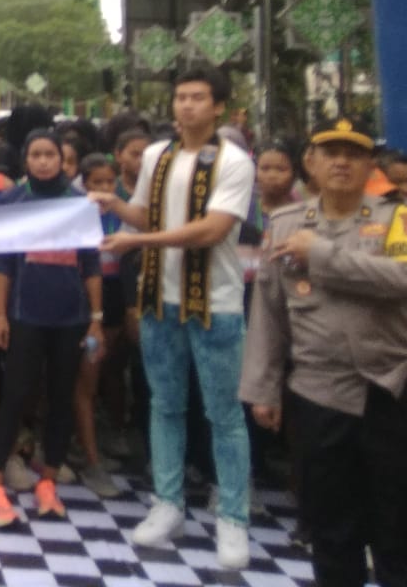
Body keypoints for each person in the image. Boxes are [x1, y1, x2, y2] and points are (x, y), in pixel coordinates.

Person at [242, 117, 407, 587]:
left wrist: (320, 255)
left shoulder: (400, 217)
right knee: (330, 525)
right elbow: (269, 311)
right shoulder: (286, 223)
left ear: (371, 164)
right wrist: (263, 388)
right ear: (310, 161)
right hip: (318, 392)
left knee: (399, 524)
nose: (342, 163)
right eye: (331, 153)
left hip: (389, 387)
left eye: (354, 154)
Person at [93, 66, 255, 570]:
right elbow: (148, 214)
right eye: (181, 97)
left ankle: (233, 516)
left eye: (198, 97)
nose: (186, 105)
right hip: (158, 299)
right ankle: (168, 503)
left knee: (224, 413)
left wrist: (138, 240)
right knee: (164, 405)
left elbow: (212, 230)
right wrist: (115, 204)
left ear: (218, 107)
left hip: (215, 303)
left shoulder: (234, 161)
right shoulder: (157, 156)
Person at [0, 131, 103, 527]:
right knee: (15, 395)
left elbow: (91, 265)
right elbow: (2, 264)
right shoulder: (12, 201)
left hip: (71, 318)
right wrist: (0, 315)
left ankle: (48, 480)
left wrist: (97, 318)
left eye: (51, 154)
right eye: (36, 154)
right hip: (24, 316)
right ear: (25, 160)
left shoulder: (79, 204)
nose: (44, 161)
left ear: (62, 161)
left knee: (61, 397)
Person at [71, 152, 125, 500]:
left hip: (115, 304)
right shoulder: (76, 215)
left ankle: (85, 445)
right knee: (85, 383)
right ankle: (91, 462)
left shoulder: (124, 213)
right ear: (84, 184)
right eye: (96, 183)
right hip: (83, 308)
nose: (104, 189)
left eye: (110, 182)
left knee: (105, 374)